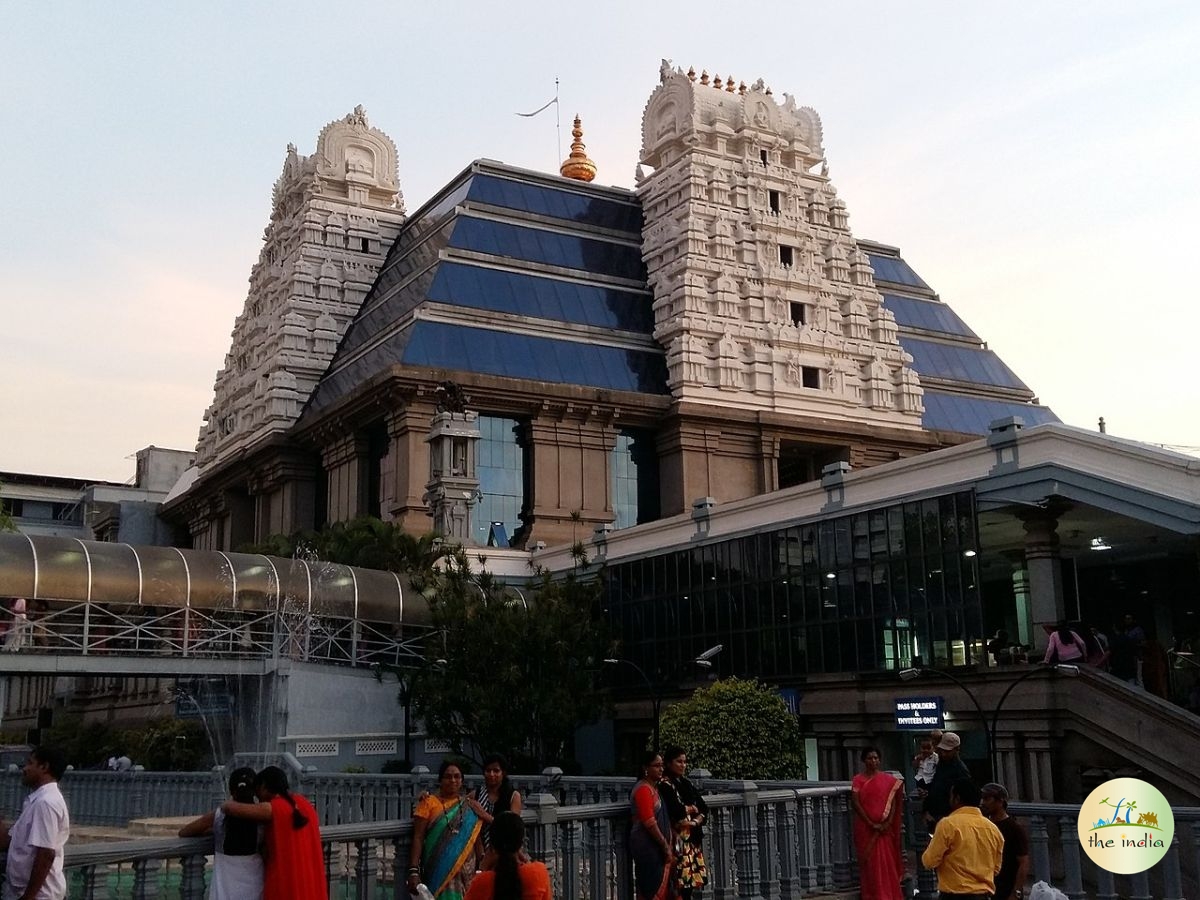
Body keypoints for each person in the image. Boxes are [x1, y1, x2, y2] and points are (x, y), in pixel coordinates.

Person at [222, 765, 326, 900]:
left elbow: (231, 809)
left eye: (257, 792)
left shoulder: (272, 808)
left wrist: (224, 805)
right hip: (310, 882)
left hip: (285, 884)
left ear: (264, 786)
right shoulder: (304, 804)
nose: (257, 799)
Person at [179, 766, 264, 900]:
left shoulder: (220, 816)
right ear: (255, 791)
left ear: (231, 791)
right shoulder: (262, 817)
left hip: (224, 892)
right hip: (255, 890)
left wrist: (214, 830)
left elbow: (185, 832)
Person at [0, 745, 70, 900]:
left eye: (30, 763)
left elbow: (46, 854)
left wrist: (28, 897)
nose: (24, 769)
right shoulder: (37, 801)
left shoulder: (46, 803)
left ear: (44, 767)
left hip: (40, 896)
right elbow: (9, 843)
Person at [407, 760, 482, 900]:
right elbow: (418, 837)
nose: (453, 780)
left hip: (467, 873)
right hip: (438, 870)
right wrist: (413, 871)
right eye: (448, 776)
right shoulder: (428, 803)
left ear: (462, 780)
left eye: (457, 776)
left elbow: (475, 838)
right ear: (440, 780)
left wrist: (482, 867)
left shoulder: (468, 805)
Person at [921, 778, 1002, 900]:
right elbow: (996, 868)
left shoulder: (948, 824)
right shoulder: (993, 829)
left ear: (957, 798)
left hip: (954, 894)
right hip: (983, 894)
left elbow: (929, 861)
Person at [849, 747, 904, 900]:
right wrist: (870, 823)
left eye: (875, 758)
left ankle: (888, 894)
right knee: (870, 865)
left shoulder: (888, 780)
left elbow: (893, 802)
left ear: (880, 760)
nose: (873, 761)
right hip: (866, 829)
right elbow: (856, 802)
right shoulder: (858, 780)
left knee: (886, 863)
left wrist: (887, 823)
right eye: (869, 758)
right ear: (863, 761)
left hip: (884, 830)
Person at [659, 746, 709, 900]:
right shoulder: (664, 784)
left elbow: (703, 808)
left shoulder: (685, 783)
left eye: (685, 762)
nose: (683, 765)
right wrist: (691, 809)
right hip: (677, 841)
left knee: (689, 884)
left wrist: (694, 821)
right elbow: (676, 810)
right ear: (668, 763)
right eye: (678, 762)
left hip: (691, 840)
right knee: (678, 884)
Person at [463, 811, 550, 900]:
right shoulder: (539, 872)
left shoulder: (482, 881)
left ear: (492, 848)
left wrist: (481, 868)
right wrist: (526, 861)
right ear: (521, 843)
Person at [629, 751, 675, 900]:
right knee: (650, 888)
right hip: (648, 848)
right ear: (645, 768)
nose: (661, 769)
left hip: (657, 848)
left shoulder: (654, 789)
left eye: (662, 766)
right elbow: (649, 822)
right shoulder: (643, 789)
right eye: (657, 766)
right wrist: (664, 845)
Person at [980, 783, 1029, 900]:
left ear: (1000, 801)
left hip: (1006, 889)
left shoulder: (1014, 828)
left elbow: (1024, 863)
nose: (982, 803)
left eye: (987, 799)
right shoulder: (983, 826)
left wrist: (1016, 892)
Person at [473, 754, 523, 853]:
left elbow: (512, 828)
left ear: (503, 773)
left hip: (504, 849)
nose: (491, 774)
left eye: (496, 771)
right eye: (488, 771)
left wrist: (485, 815)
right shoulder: (476, 795)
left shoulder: (513, 796)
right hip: (479, 849)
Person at [923, 732, 970, 826]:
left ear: (957, 750)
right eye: (942, 750)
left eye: (947, 751)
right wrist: (926, 810)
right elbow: (934, 788)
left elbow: (964, 798)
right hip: (935, 816)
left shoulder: (960, 770)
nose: (943, 754)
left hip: (951, 817)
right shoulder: (941, 764)